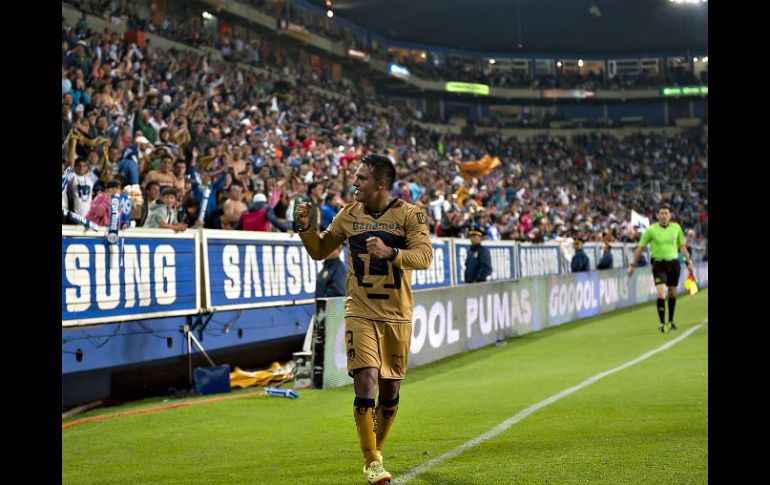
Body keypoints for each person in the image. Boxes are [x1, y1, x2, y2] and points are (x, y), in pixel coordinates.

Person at [295, 153, 433, 485]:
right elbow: (320, 248)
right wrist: (305, 229)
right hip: (360, 310)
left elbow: (425, 256)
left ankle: (377, 451)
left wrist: (393, 253)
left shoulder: (411, 215)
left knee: (390, 389)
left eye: (361, 178)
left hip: (397, 316)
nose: (353, 183)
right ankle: (371, 461)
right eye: (354, 177)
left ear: (380, 185)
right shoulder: (348, 215)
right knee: (366, 378)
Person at [628, 205, 694, 333]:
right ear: (657, 215)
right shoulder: (651, 230)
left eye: (666, 213)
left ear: (670, 215)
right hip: (658, 264)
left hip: (674, 264)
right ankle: (662, 323)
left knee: (673, 293)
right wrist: (632, 265)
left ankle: (671, 320)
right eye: (661, 213)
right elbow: (640, 248)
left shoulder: (676, 228)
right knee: (661, 292)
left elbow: (682, 247)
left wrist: (689, 263)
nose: (664, 215)